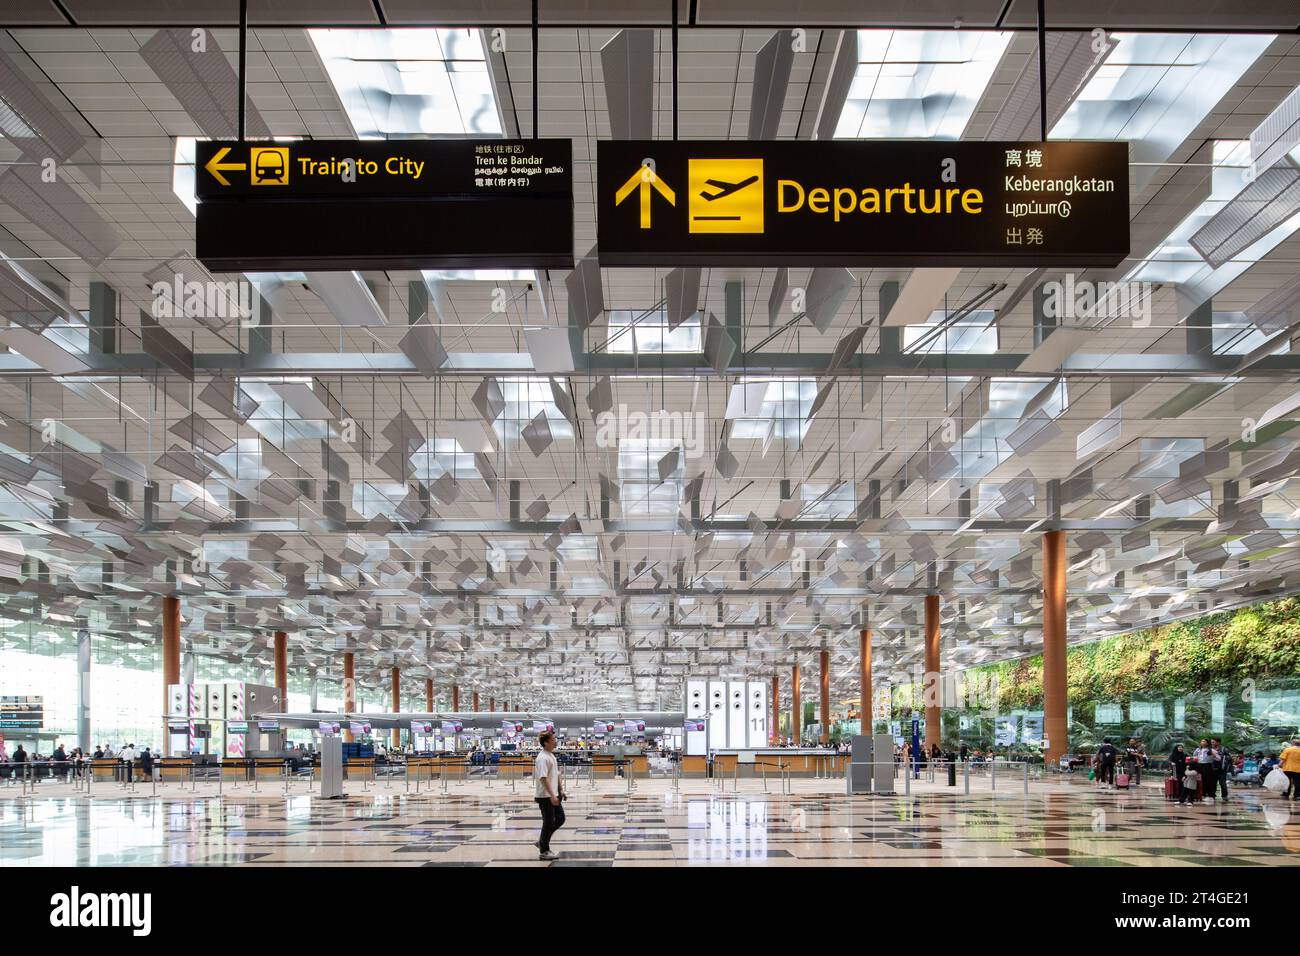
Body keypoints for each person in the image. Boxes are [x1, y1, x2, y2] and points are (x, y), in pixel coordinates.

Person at [533, 730, 565, 862]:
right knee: (548, 822)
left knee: (560, 819)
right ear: (546, 742)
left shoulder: (551, 755)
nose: (555, 741)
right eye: (553, 739)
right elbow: (543, 778)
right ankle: (544, 851)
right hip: (545, 796)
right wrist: (552, 795)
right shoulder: (542, 758)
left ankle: (542, 841)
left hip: (553, 794)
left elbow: (556, 775)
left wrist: (561, 790)